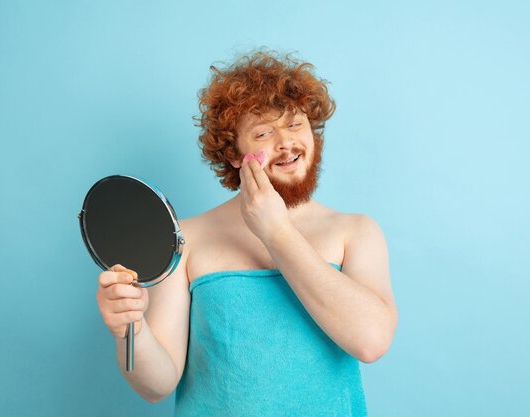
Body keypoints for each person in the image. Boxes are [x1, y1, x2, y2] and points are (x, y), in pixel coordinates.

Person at [95, 49, 398, 416]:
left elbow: (372, 341)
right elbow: (156, 385)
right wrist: (130, 331)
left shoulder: (356, 232)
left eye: (295, 124)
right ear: (235, 154)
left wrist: (276, 233)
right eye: (264, 132)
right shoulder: (186, 240)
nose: (286, 141)